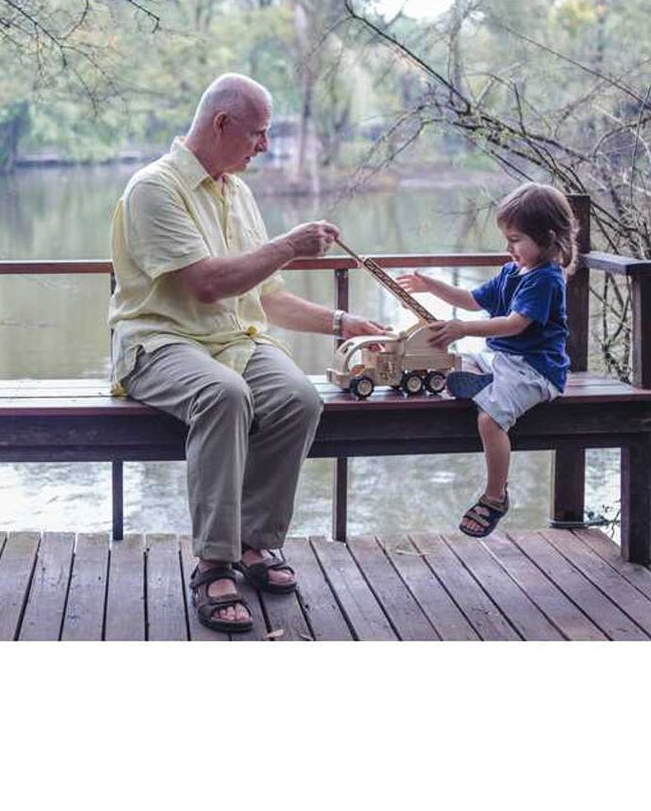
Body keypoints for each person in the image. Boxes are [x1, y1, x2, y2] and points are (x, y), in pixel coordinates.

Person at [108, 73, 385, 633]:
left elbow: (266, 297)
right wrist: (288, 245)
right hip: (159, 341)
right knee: (223, 394)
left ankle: (256, 544)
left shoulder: (238, 191)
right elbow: (208, 285)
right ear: (221, 124)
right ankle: (214, 562)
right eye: (257, 134)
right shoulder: (154, 189)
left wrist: (340, 322)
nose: (264, 146)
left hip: (233, 341)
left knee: (301, 399)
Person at [396, 182, 578, 538]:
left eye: (516, 239)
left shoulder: (546, 279)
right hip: (503, 358)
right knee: (453, 359)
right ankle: (481, 382)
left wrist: (463, 329)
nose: (508, 247)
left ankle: (495, 496)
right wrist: (430, 284)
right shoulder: (514, 271)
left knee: (489, 420)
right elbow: (470, 300)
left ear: (548, 237)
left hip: (535, 370)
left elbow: (515, 324)